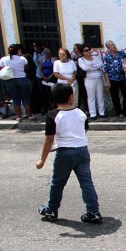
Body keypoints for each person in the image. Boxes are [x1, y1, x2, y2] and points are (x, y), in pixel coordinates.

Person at [36, 83, 103, 224]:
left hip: (65, 152)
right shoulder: (81, 113)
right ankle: (94, 211)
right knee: (86, 182)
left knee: (57, 183)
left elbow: (49, 138)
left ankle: (51, 209)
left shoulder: (53, 115)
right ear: (71, 97)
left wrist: (42, 160)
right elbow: (83, 131)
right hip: (82, 150)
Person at [0, 44, 32, 121]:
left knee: (15, 99)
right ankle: (29, 116)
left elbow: (0, 69)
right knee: (25, 98)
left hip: (10, 80)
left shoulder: (3, 59)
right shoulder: (22, 59)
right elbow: (27, 68)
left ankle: (19, 116)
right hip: (22, 79)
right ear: (17, 51)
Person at [103, 40, 126, 118]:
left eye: (114, 44)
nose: (114, 46)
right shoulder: (107, 57)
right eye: (111, 45)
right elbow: (105, 70)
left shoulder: (121, 54)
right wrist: (107, 81)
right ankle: (119, 112)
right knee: (115, 97)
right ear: (108, 48)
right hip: (112, 79)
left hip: (123, 78)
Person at [78, 44, 106, 120]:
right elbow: (85, 68)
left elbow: (101, 65)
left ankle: (102, 112)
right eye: (85, 50)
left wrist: (92, 67)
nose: (88, 52)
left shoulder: (96, 57)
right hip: (89, 79)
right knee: (91, 97)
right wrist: (94, 67)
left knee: (100, 96)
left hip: (98, 78)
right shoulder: (81, 59)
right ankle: (93, 113)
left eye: (88, 50)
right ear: (82, 52)